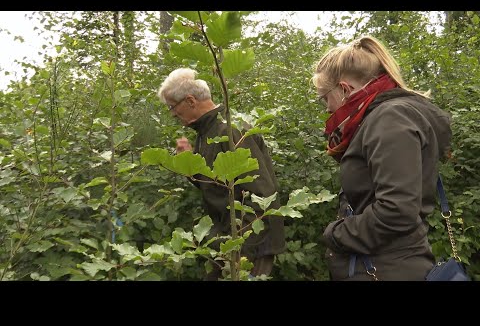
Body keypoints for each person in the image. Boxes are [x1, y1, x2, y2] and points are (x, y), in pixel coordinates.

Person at [312, 36, 452, 281]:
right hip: (382, 263)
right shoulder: (379, 118)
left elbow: (397, 210)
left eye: (325, 97)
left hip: (387, 268)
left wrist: (336, 234)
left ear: (345, 89)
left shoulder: (390, 119)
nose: (326, 109)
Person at [157, 68, 285, 280]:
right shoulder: (205, 133)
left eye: (173, 107)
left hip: (249, 241)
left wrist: (242, 249)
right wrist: (190, 166)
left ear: (190, 101)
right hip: (226, 236)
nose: (172, 114)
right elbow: (217, 186)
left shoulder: (230, 130)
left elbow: (262, 192)